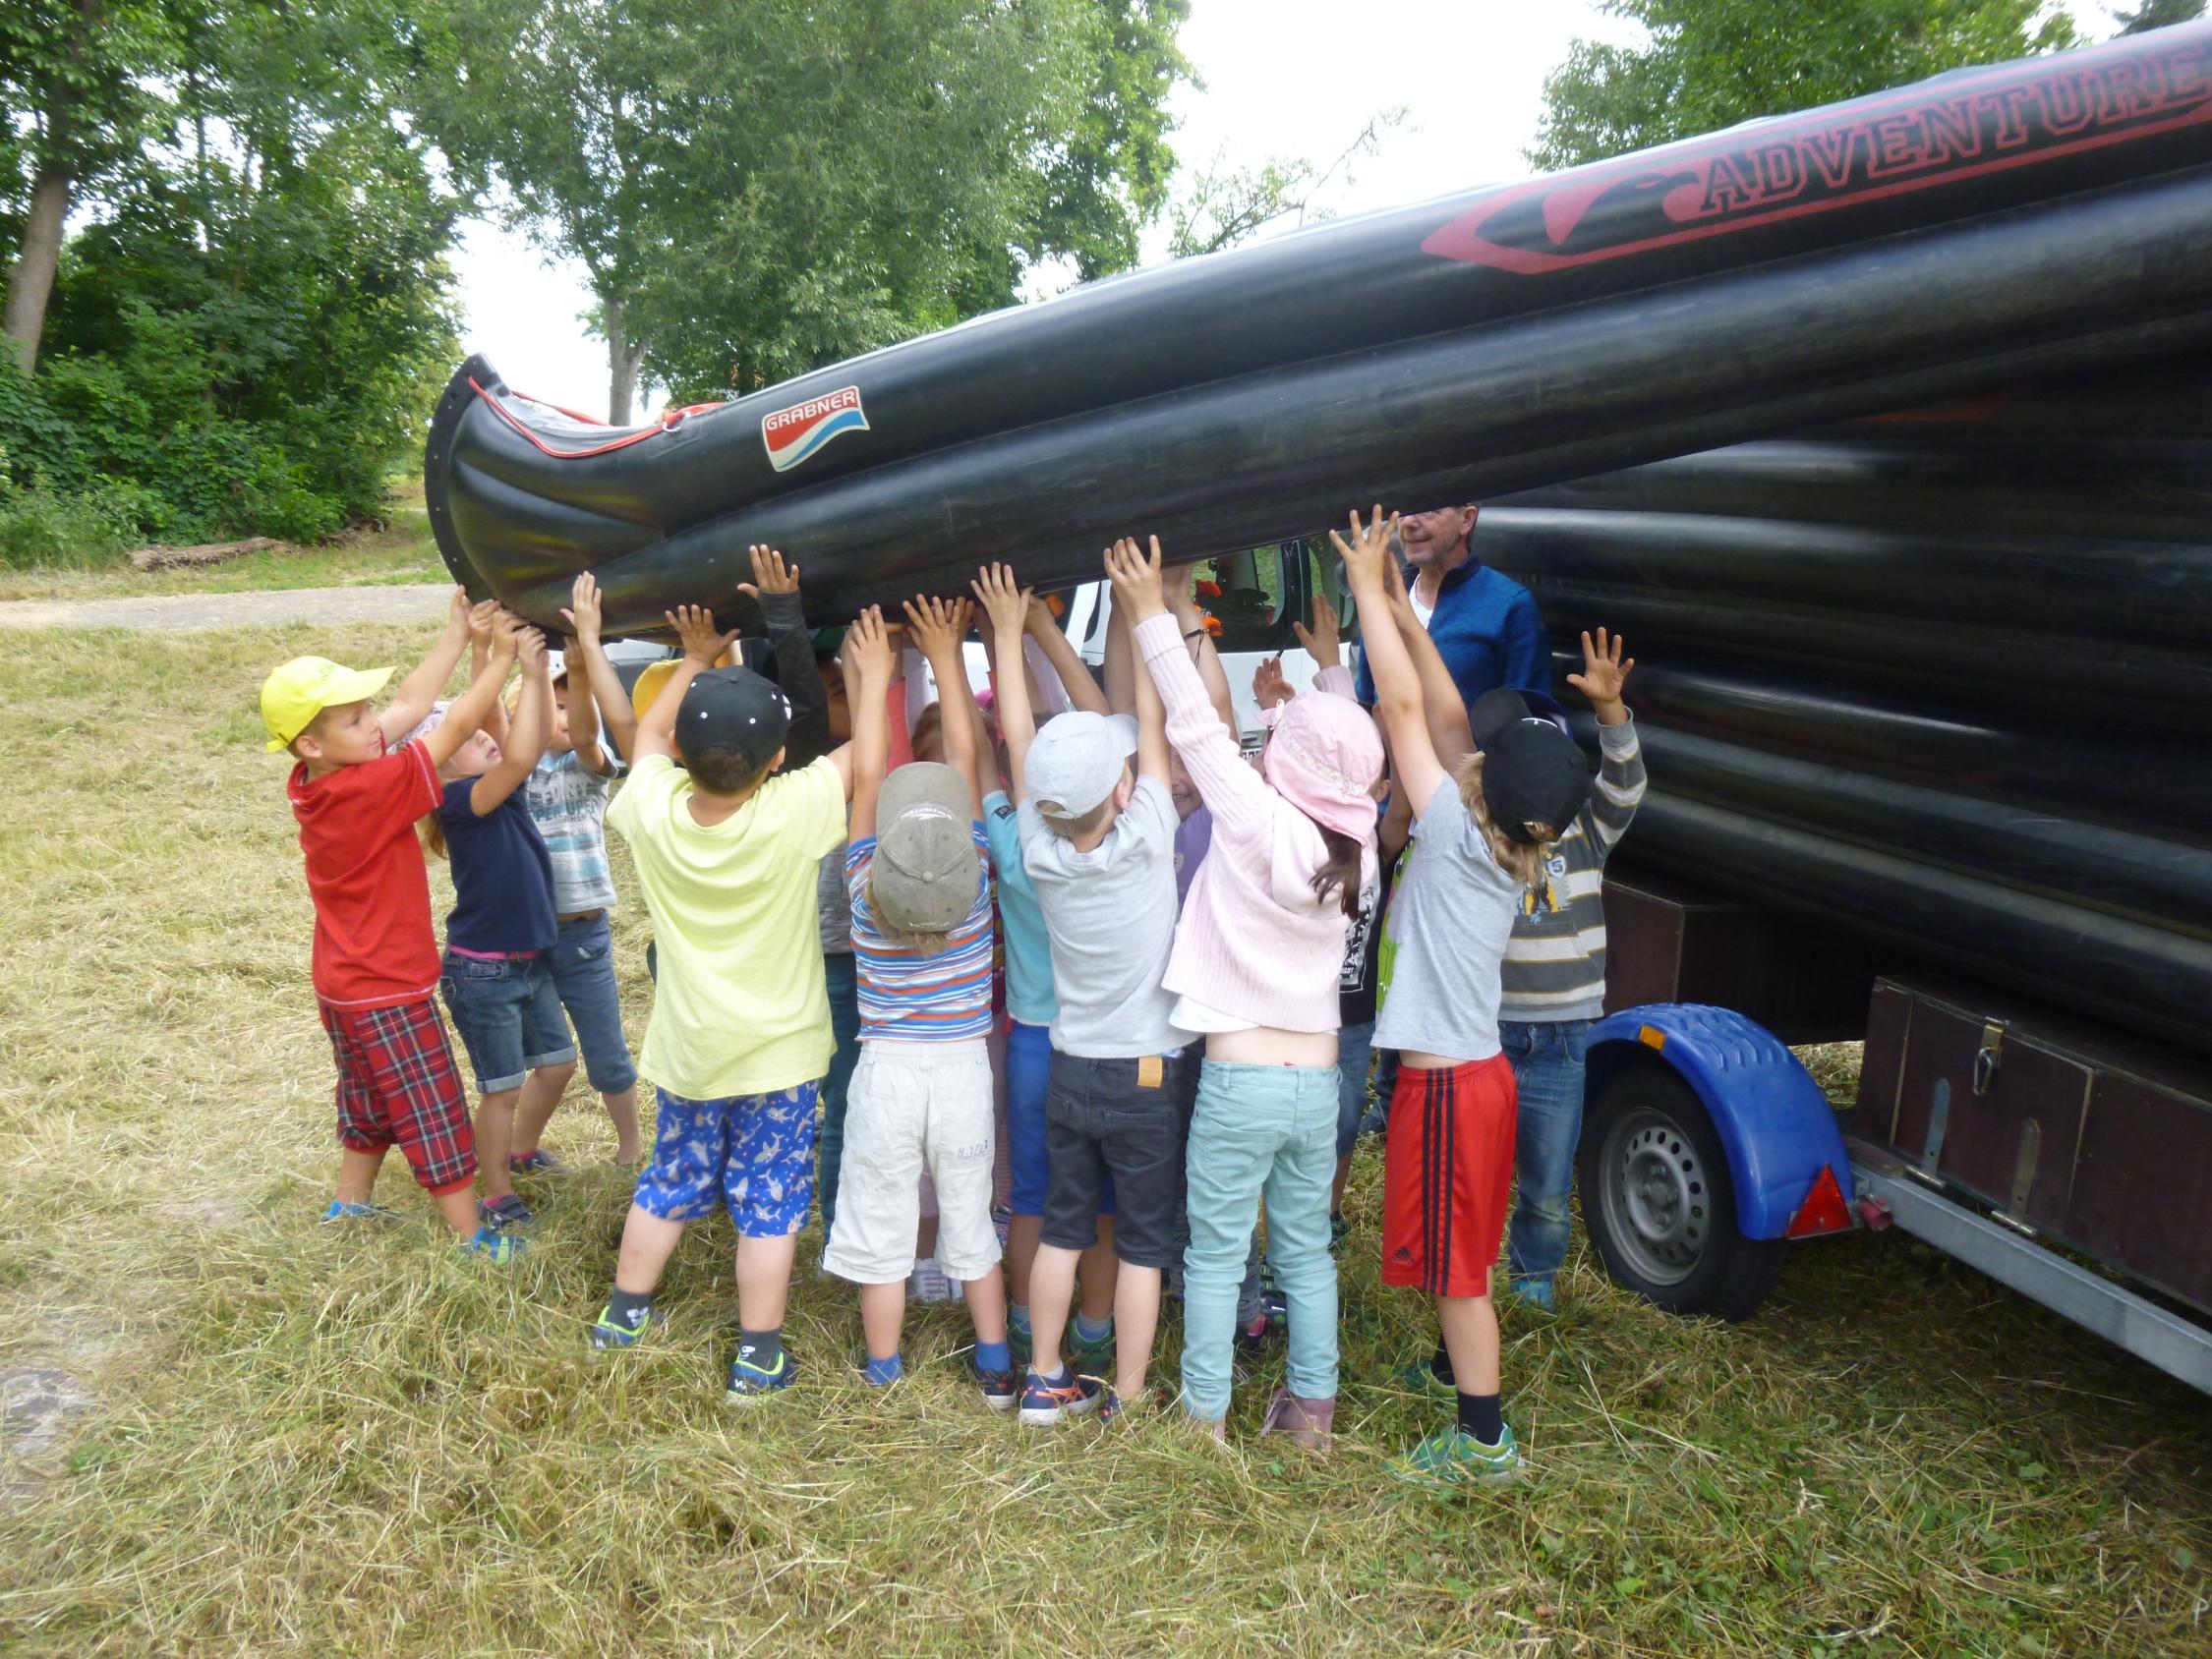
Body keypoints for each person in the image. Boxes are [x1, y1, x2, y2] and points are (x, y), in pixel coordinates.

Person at [1339, 506, 1595, 1482]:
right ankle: (1456, 1362)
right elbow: (1445, 718)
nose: (1465, 749)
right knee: (1470, 1244)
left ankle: (1483, 1437)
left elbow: (1409, 719)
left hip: (1446, 1089)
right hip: (1478, 1075)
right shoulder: (1510, 833)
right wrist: (1409, 615)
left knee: (1456, 1267)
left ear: (1478, 780)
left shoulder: (1446, 831)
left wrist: (1368, 585)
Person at [1120, 534, 1383, 1450]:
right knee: (1304, 1252)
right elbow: (1345, 764)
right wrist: (1324, 684)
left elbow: (1194, 725)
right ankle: (1313, 1410)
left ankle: (1206, 1420)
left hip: (1237, 1082)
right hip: (1318, 1085)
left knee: (1217, 1253)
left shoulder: (1256, 821)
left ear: (1284, 767)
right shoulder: (1364, 855)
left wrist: (1154, 609)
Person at [586, 590, 854, 1407]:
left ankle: (622, 1318)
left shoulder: (654, 809)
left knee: (669, 1178)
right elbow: (861, 755)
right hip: (778, 1057)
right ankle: (758, 1355)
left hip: (691, 1053)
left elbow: (645, 743)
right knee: (768, 1204)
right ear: (778, 760)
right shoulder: (791, 815)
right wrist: (874, 671)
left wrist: (695, 659)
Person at [974, 554, 1190, 1423]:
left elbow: (1025, 751)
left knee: (1062, 1228)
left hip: (1068, 1069)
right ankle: (1128, 1397)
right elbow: (1156, 724)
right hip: (1146, 1073)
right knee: (1139, 1245)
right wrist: (1153, 615)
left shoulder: (1037, 849)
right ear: (1126, 790)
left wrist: (1002, 635)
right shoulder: (1147, 837)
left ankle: (1045, 1376)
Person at [262, 590, 523, 1260]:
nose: (376, 724)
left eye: (365, 710)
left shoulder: (317, 780)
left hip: (344, 987)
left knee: (372, 1095)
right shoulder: (370, 790)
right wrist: (500, 658)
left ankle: (350, 1202)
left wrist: (457, 634)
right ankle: (471, 1235)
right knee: (432, 1105)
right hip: (389, 988)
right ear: (311, 741)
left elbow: (409, 704)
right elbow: (455, 724)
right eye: (356, 720)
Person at [824, 596, 1015, 1409]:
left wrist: (873, 678)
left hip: (888, 1075)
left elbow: (867, 777)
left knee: (881, 1225)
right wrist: (947, 653)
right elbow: (969, 770)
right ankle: (997, 1367)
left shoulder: (865, 889)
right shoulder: (977, 886)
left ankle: (884, 1371)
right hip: (965, 1072)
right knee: (972, 1225)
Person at [972, 589, 1122, 1374]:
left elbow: (982, 752)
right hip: (1105, 1049)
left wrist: (984, 639)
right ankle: (1096, 1330)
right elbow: (1103, 728)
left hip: (1033, 1045)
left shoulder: (1013, 844)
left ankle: (1031, 1324)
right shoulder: (1132, 847)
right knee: (1099, 1204)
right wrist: (1036, 629)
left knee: (1032, 1197)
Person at [1497, 628, 1642, 1312]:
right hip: (1489, 1028)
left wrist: (1611, 710)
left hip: (1562, 1037)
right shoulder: (1484, 832)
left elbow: (1626, 782)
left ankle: (1532, 1284)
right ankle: (1472, 1277)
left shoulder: (1587, 830)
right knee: (1482, 1169)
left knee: (1548, 1184)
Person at [416, 621, 574, 1235]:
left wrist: (489, 653)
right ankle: (498, 1192)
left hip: (527, 960)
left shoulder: (495, 791)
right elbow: (521, 752)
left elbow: (509, 738)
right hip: (483, 970)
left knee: (558, 1065)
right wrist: (531, 672)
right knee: (501, 1089)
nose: (486, 734)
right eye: (468, 735)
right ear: (441, 765)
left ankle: (516, 1150)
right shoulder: (463, 804)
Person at [525, 571, 644, 1167]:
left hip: (583, 933)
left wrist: (578, 669)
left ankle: (629, 1149)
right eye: (551, 704)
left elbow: (590, 735)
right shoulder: (510, 771)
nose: (564, 717)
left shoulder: (589, 768)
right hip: (524, 938)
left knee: (607, 1053)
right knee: (548, 1055)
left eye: (570, 704)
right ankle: (522, 1147)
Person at [1351, 502, 1550, 714]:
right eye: (1403, 510)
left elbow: (1527, 725)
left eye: (1429, 509)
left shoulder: (1510, 606)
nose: (1408, 522)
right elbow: (1365, 701)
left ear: (1466, 520)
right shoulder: (1385, 597)